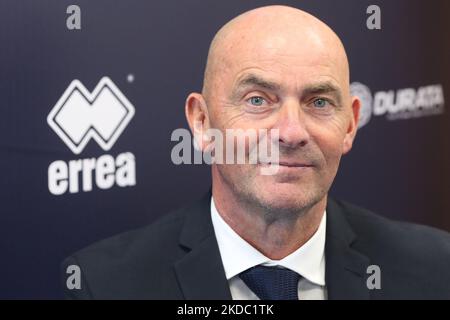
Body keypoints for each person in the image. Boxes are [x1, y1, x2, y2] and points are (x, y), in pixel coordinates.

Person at [62, 5, 450, 300]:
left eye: (318, 103)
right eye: (258, 100)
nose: (292, 132)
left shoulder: (435, 268)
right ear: (201, 122)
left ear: (349, 124)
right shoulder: (104, 285)